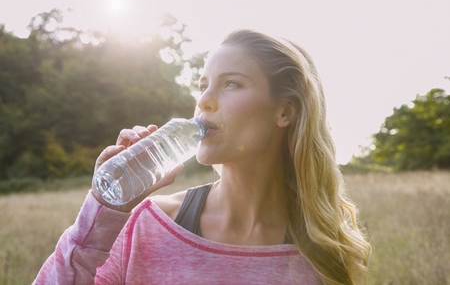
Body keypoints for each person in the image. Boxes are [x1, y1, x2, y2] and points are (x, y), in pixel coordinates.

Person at [34, 29, 371, 285]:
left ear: (284, 111)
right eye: (202, 86)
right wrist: (103, 211)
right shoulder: (149, 226)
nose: (204, 101)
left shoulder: (321, 252)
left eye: (232, 84)